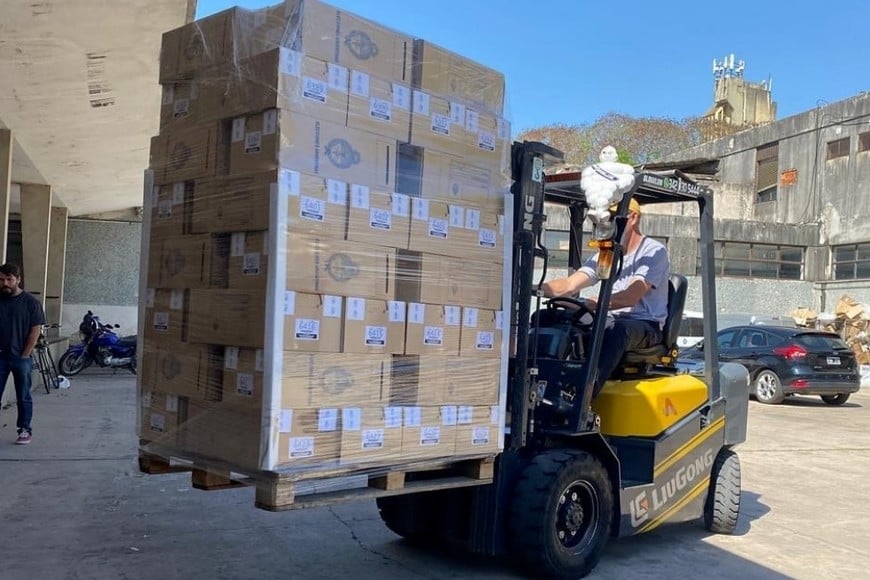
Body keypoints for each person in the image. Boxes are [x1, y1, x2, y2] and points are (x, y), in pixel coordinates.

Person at [540, 198, 669, 396]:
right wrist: (534, 287)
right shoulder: (607, 254)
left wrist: (592, 304)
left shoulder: (653, 252)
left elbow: (630, 297)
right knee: (547, 317)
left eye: (613, 217)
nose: (607, 222)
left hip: (644, 324)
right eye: (606, 218)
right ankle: (542, 387)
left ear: (633, 218)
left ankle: (582, 399)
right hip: (609, 318)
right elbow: (570, 284)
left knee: (615, 331)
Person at [0, 263, 46, 444]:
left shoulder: (31, 302)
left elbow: (35, 330)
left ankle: (25, 429)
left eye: (9, 279)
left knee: (23, 396)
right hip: (1, 357)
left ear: (18, 280)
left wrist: (25, 354)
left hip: (21, 358)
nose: (5, 283)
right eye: (2, 279)